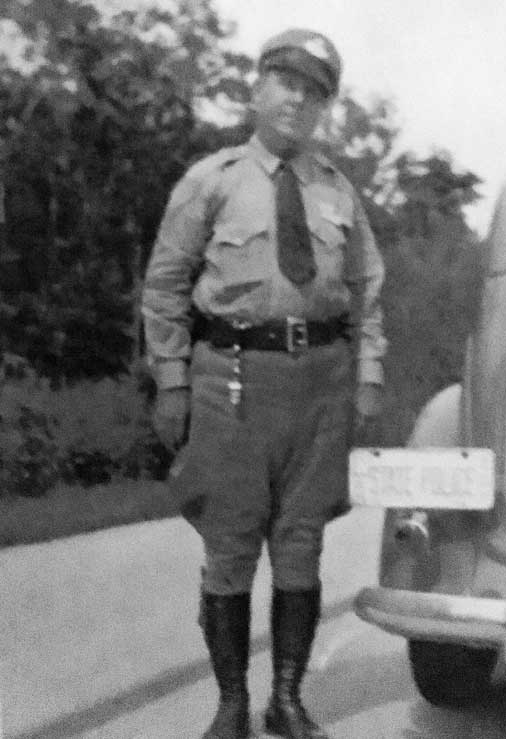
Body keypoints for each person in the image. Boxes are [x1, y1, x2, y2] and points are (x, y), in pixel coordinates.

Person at [142, 28, 387, 739]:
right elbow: (164, 286)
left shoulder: (338, 191)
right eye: (287, 82)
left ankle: (286, 700)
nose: (298, 100)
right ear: (258, 87)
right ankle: (230, 704)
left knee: (302, 541)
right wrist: (172, 380)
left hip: (320, 381)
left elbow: (368, 289)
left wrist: (367, 372)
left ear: (324, 107)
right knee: (230, 541)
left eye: (314, 91)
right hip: (233, 379)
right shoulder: (211, 180)